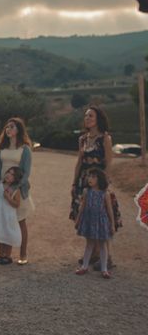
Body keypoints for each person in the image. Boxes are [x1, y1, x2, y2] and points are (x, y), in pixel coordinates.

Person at [70, 106, 121, 269]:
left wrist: (103, 185)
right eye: (86, 116)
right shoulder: (83, 139)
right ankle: (93, 254)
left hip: (99, 183)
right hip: (84, 182)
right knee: (87, 215)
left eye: (91, 116)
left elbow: (108, 162)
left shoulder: (105, 138)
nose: (87, 118)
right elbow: (79, 162)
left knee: (102, 216)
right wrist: (74, 182)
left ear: (98, 118)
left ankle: (106, 257)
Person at [0, 118, 34, 265]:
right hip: (3, 188)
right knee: (2, 220)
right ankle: (2, 252)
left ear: (19, 130)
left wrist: (15, 187)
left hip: (17, 189)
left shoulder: (25, 149)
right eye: (7, 127)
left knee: (20, 221)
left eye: (12, 127)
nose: (8, 129)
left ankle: (23, 254)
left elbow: (26, 172)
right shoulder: (2, 147)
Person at [74, 168, 115, 279]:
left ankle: (104, 269)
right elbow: (82, 206)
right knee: (89, 244)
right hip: (89, 220)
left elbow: (109, 210)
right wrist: (78, 219)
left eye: (93, 177)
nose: (89, 179)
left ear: (100, 179)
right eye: (89, 176)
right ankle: (84, 266)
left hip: (101, 221)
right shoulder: (86, 192)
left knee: (102, 245)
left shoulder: (105, 194)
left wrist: (112, 224)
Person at [0, 166, 23, 265]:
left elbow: (17, 204)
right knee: (0, 232)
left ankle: (7, 255)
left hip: (8, 216)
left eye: (12, 175)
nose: (9, 175)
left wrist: (8, 198)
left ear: (15, 179)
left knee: (8, 234)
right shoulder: (0, 184)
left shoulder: (15, 190)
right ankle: (1, 254)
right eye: (8, 172)